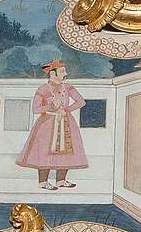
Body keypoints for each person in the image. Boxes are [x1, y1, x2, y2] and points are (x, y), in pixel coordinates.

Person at [18, 59, 88, 190]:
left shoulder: (68, 87)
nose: (65, 74)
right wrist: (50, 106)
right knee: (45, 151)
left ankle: (61, 180)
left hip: (66, 121)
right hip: (47, 123)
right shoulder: (43, 89)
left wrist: (67, 110)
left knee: (66, 151)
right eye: (62, 71)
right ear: (52, 74)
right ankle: (43, 182)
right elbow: (35, 109)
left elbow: (81, 102)